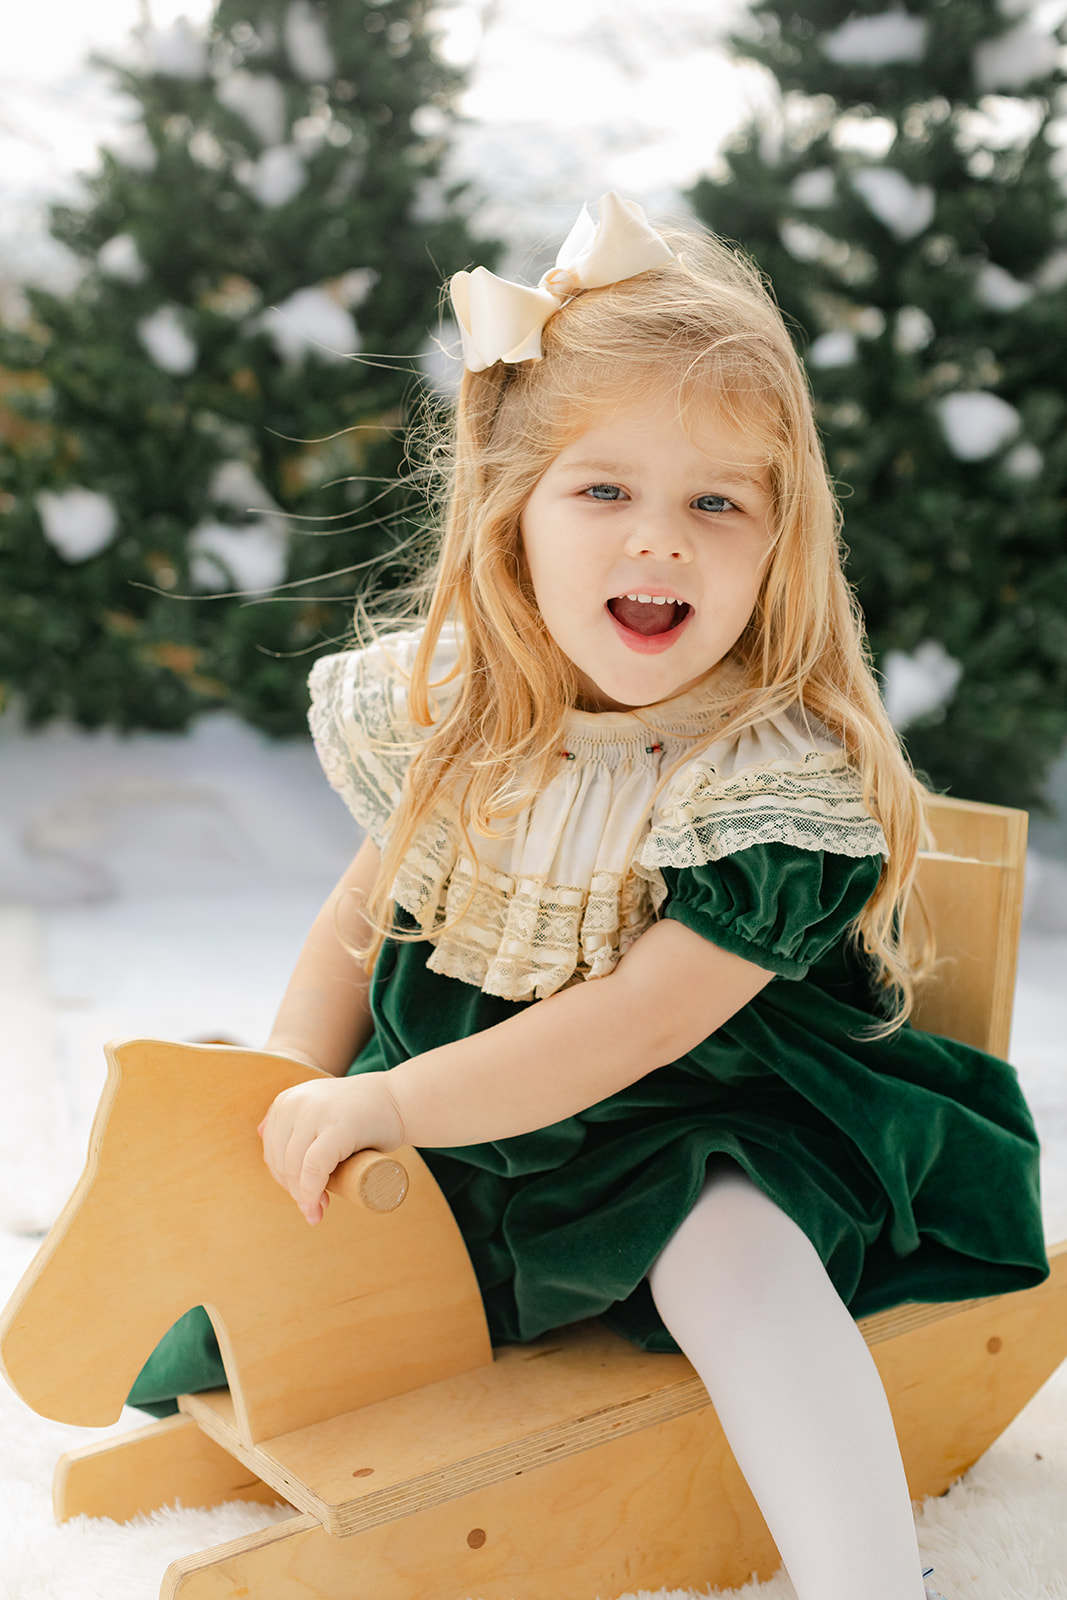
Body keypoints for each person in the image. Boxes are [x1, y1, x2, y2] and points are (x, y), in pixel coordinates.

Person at [129, 195, 1048, 1600]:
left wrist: (386, 1106)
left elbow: (631, 1028)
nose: (659, 542)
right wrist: (281, 1099)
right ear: (516, 516)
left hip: (712, 1108)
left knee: (728, 1253)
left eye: (713, 502)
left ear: (775, 537)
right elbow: (357, 924)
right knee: (329, 1233)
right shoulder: (462, 719)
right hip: (468, 1095)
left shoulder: (766, 786)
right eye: (605, 490)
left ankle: (868, 1579)